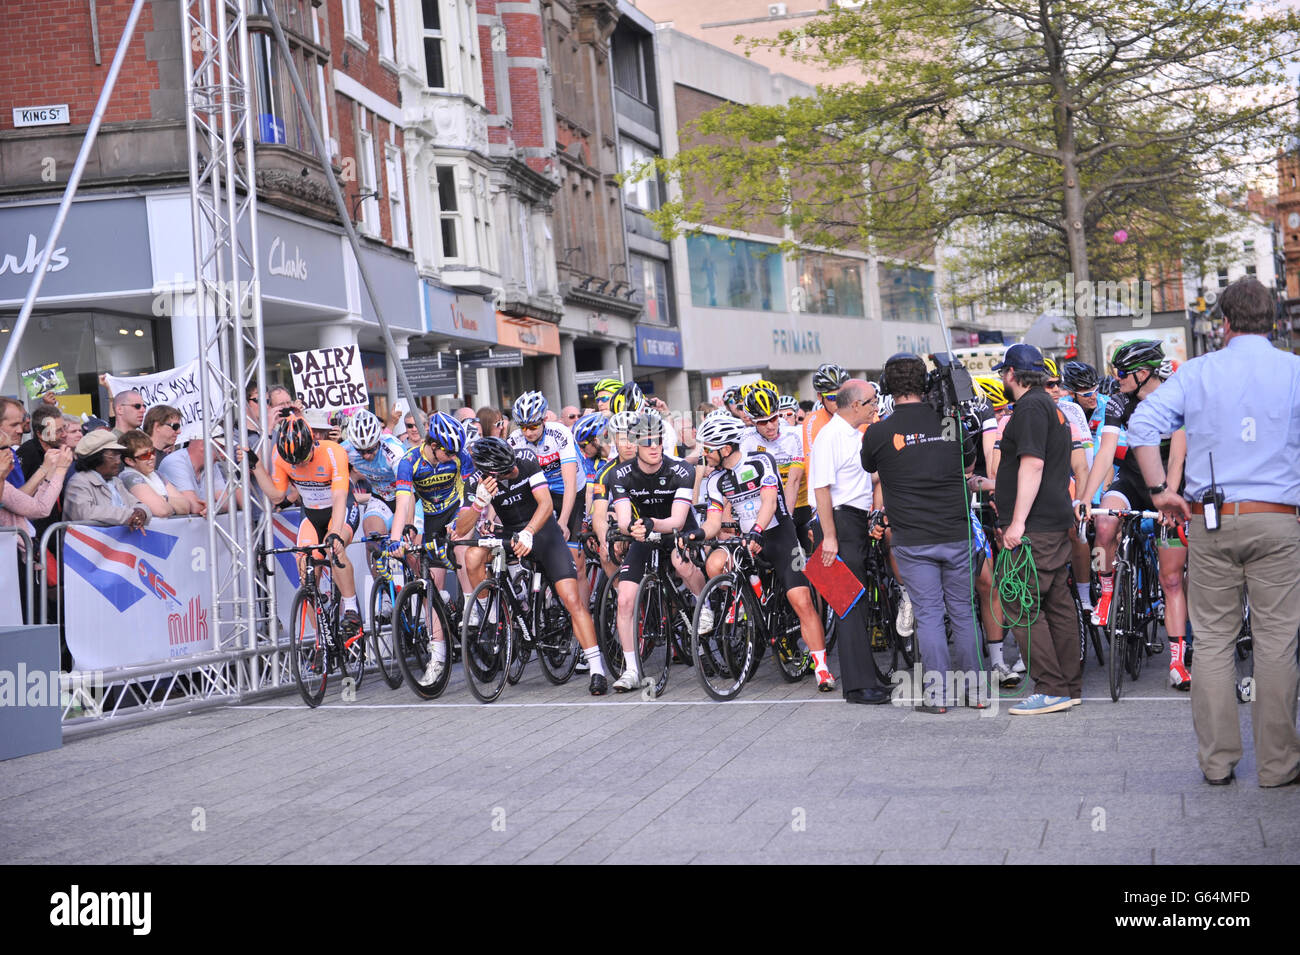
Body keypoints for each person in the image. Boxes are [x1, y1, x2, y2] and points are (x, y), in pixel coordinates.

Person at [1129, 276, 1300, 787]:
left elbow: (1141, 426)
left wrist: (1161, 490)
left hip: (1211, 518)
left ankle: (1218, 761)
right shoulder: (1293, 370)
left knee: (1214, 641)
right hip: (1278, 519)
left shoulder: (1197, 372)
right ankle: (1278, 765)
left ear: (1223, 322)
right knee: (1276, 641)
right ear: (1272, 320)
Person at [862, 354, 985, 711]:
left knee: (929, 615)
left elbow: (869, 464)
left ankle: (940, 696)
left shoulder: (879, 432)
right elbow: (967, 461)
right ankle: (977, 693)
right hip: (955, 530)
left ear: (886, 388)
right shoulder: (949, 421)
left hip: (913, 537)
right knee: (963, 612)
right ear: (925, 383)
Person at [453, 436, 610, 695]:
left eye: (512, 466)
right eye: (506, 471)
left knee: (572, 600)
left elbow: (546, 503)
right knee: (472, 556)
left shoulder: (525, 461)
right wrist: (479, 503)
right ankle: (491, 616)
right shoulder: (476, 482)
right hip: (509, 534)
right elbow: (461, 529)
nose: (513, 471)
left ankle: (596, 667)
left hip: (542, 530)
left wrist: (528, 532)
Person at [1078, 339, 1190, 690]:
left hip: (1173, 484)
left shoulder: (1176, 397)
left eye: (1122, 372)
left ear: (1143, 374)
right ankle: (1108, 589)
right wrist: (1084, 497)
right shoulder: (1118, 400)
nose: (1116, 378)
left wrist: (1169, 498)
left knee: (1171, 579)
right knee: (1105, 521)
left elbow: (1177, 456)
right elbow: (1106, 451)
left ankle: (1177, 662)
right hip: (1132, 480)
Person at [696, 413, 836, 690]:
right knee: (714, 562)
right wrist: (695, 534)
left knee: (801, 600)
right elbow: (713, 522)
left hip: (778, 536)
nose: (704, 453)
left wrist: (757, 530)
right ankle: (746, 606)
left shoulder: (760, 462)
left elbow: (770, 502)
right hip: (748, 539)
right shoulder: (716, 480)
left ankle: (822, 668)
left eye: (708, 447)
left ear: (725, 448)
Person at [989, 345, 1078, 715]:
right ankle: (1068, 684)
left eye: (1002, 373)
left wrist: (1017, 523)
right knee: (1057, 602)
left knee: (1020, 604)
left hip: (1034, 527)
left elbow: (1033, 465)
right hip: (1054, 519)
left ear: (1011, 374)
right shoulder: (1050, 406)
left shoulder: (1028, 408)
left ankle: (1051, 687)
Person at [608, 410, 705, 691]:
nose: (654, 447)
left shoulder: (680, 470)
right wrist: (632, 529)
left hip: (676, 529)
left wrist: (650, 524)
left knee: (681, 562)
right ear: (635, 445)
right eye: (647, 442)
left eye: (658, 441)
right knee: (626, 599)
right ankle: (631, 669)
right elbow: (624, 519)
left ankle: (704, 604)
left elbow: (676, 520)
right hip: (645, 532)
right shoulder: (620, 474)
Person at [250, 409, 364, 645]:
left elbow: (341, 497)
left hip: (339, 509)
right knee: (305, 570)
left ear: (313, 444)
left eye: (303, 459)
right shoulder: (280, 456)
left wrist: (335, 533)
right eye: (294, 462)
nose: (299, 466)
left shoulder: (334, 452)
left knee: (335, 549)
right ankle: (322, 638)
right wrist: (257, 467)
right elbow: (277, 496)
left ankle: (352, 610)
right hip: (311, 514)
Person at [808, 379, 886, 702]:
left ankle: (868, 678)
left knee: (859, 604)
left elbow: (862, 477)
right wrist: (829, 537)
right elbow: (821, 488)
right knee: (848, 606)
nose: (875, 406)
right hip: (836, 524)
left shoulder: (854, 435)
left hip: (852, 522)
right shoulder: (830, 436)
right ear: (855, 405)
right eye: (870, 402)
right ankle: (858, 687)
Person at [64, 431, 151, 530]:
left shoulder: (116, 481)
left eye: (118, 455)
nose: (118, 461)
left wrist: (142, 512)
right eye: (112, 456)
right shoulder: (79, 482)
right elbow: (86, 513)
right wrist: (131, 515)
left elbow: (138, 504)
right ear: (96, 458)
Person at [118, 430, 191, 517]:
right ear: (130, 461)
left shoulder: (157, 475)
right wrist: (172, 505)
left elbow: (186, 507)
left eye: (152, 452)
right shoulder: (129, 477)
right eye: (145, 455)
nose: (152, 457)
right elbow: (161, 510)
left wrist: (162, 499)